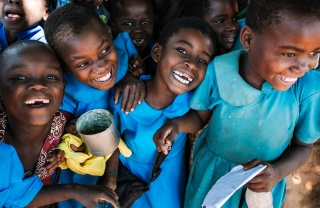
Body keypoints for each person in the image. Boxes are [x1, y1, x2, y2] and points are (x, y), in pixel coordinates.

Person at [153, 0, 320, 207]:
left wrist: (277, 172)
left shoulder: (308, 89)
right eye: (289, 54)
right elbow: (199, 117)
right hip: (211, 178)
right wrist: (176, 125)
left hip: (263, 186)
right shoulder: (219, 70)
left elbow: (303, 146)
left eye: (314, 52)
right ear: (248, 39)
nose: (304, 66)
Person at [44, 3, 144, 207]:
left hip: (132, 160)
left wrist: (133, 76)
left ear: (108, 32)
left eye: (105, 50)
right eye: (83, 64)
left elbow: (139, 70)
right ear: (65, 68)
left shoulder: (125, 54)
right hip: (84, 169)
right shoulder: (68, 91)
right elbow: (58, 132)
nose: (101, 67)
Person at [0, 40, 119, 208]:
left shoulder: (66, 126)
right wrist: (73, 190)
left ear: (63, 89)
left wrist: (110, 177)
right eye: (20, 77)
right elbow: (14, 198)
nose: (38, 85)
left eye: (51, 77)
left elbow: (112, 144)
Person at [113, 16, 216, 208]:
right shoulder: (126, 97)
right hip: (129, 191)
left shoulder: (190, 100)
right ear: (158, 52)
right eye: (182, 50)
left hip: (169, 190)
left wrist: (176, 125)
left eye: (202, 60)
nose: (192, 64)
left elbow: (200, 118)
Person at [107, 0, 156, 76]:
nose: (138, 30)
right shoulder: (109, 59)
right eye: (128, 24)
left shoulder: (157, 50)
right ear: (113, 27)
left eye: (145, 23)